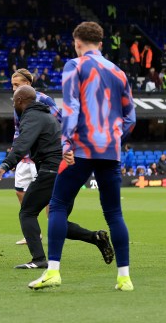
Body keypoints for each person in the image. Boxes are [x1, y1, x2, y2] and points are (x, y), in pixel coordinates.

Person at [30, 22, 135, 291]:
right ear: (101, 44)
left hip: (80, 148)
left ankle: (53, 272)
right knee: (114, 213)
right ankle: (124, 278)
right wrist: (113, 138)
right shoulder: (119, 72)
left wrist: (66, 143)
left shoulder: (74, 66)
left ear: (77, 43)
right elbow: (130, 118)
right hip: (110, 150)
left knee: (58, 205)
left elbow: (72, 106)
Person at [0, 85, 114, 271]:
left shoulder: (31, 117)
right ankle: (95, 237)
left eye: (14, 101)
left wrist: (5, 165)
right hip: (68, 172)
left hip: (51, 170)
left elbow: (22, 144)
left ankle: (39, 259)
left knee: (27, 212)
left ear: (19, 101)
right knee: (58, 221)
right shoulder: (47, 115)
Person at [9, 68, 57, 245]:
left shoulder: (44, 99)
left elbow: (57, 122)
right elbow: (17, 130)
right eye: (12, 85)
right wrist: (14, 153)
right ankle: (33, 232)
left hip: (43, 155)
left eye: (17, 84)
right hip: (24, 155)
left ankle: (53, 231)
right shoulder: (17, 102)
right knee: (19, 191)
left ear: (28, 84)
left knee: (47, 197)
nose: (14, 89)